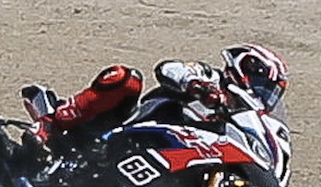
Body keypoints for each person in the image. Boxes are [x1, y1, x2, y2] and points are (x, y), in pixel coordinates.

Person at [21, 43, 289, 154]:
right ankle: (52, 122)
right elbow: (168, 68)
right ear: (248, 72)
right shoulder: (212, 78)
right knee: (126, 78)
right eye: (265, 87)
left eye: (271, 93)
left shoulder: (243, 125)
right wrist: (199, 87)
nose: (265, 96)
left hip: (162, 159)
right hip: (125, 130)